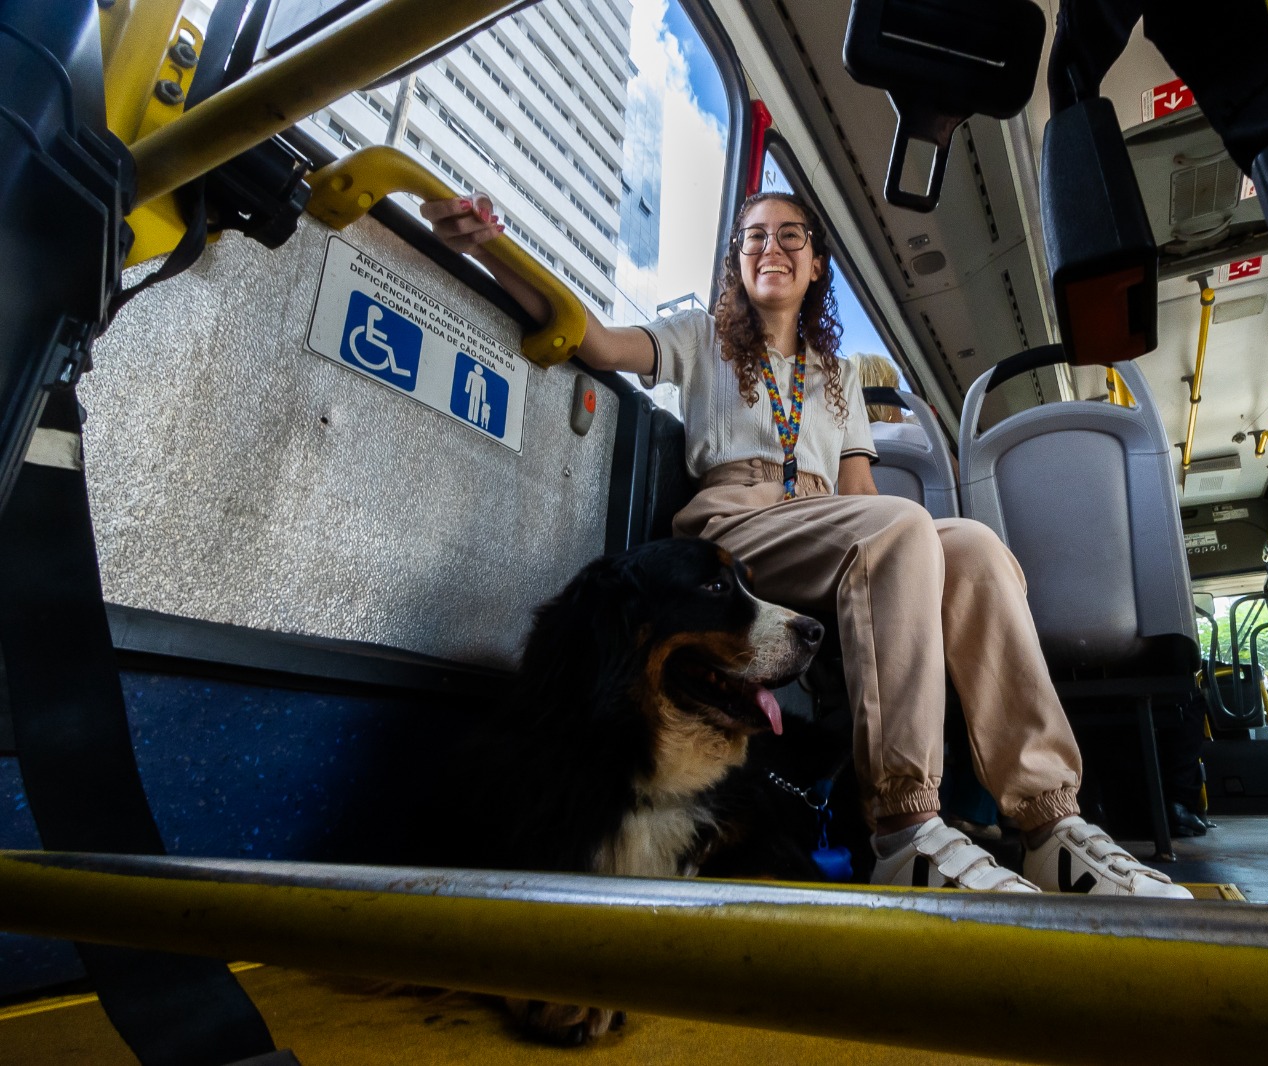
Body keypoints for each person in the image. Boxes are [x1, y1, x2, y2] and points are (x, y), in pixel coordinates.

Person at [421, 191, 1190, 897]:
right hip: (740, 522)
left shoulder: (837, 374)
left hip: (825, 520)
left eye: (790, 236)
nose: (771, 248)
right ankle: (906, 825)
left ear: (815, 264)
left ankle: (1051, 821)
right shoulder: (701, 337)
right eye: (753, 238)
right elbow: (598, 343)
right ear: (737, 261)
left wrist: (918, 556)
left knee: (976, 550)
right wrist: (492, 248)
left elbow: (858, 493)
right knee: (899, 527)